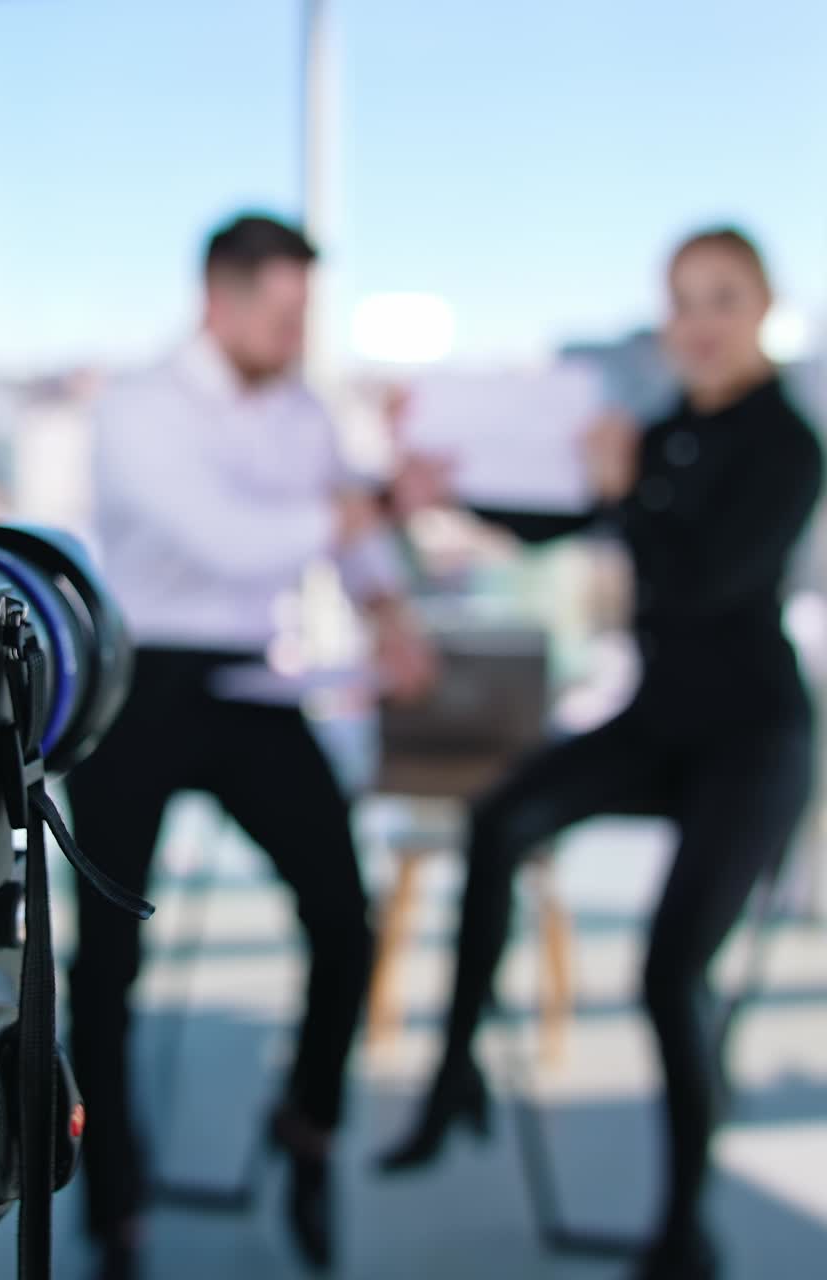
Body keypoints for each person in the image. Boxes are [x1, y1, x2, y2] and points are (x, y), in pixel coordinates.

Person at [375, 227, 822, 1280]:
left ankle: (683, 1225)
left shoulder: (786, 445)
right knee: (495, 818)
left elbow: (701, 575)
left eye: (719, 297)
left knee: (670, 972)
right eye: (680, 301)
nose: (698, 321)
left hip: (751, 737)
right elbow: (556, 518)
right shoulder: (663, 428)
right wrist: (443, 487)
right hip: (659, 717)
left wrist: (622, 488)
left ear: (759, 306)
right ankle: (452, 1075)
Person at [67, 213, 435, 1278]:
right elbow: (229, 535)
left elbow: (354, 547)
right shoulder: (138, 408)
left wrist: (389, 611)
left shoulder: (307, 411)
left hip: (252, 679)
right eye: (279, 311)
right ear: (216, 303)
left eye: (302, 311)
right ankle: (114, 1206)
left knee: (342, 918)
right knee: (107, 958)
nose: (294, 330)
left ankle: (307, 1127)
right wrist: (365, 506)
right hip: (137, 681)